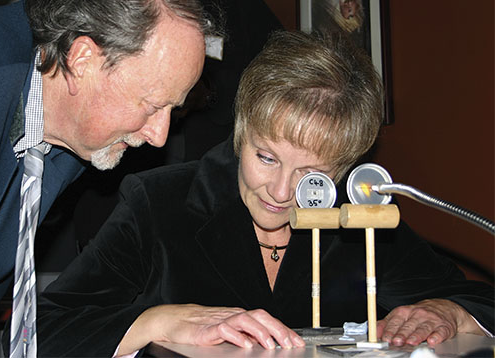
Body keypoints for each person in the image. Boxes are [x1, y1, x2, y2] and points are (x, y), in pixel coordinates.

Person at [34, 29, 494, 357]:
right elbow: (44, 329)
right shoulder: (159, 203)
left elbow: (480, 301)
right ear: (242, 133)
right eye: (266, 158)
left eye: (312, 174)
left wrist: (447, 310)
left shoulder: (358, 221)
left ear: (344, 168)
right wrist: (161, 321)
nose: (280, 191)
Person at [0, 0, 217, 355]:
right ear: (83, 61)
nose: (160, 135)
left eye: (174, 108)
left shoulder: (72, 137)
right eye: (153, 105)